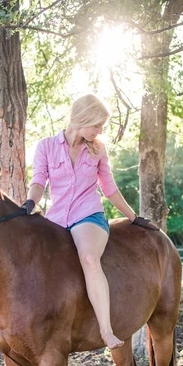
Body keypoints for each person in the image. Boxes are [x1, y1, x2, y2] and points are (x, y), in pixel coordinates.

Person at [24, 94, 142, 350]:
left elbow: (109, 188)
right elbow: (38, 182)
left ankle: (106, 330)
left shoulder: (98, 148)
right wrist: (29, 204)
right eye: (97, 125)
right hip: (56, 220)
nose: (100, 131)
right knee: (26, 260)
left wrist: (134, 217)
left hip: (88, 215)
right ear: (83, 119)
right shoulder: (46, 146)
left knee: (89, 258)